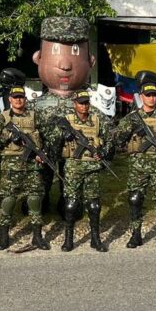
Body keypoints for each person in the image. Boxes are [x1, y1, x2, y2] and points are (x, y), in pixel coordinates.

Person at [30, 16, 96, 218]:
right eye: (56, 51)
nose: (66, 64)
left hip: (74, 155)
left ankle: (69, 200)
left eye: (76, 52)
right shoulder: (34, 106)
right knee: (40, 180)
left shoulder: (86, 106)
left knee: (71, 181)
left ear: (91, 61)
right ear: (38, 58)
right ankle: (40, 199)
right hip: (43, 153)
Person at [114, 82, 156, 251]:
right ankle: (136, 234)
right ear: (141, 96)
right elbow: (118, 140)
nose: (151, 98)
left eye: (154, 95)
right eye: (148, 95)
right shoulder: (132, 118)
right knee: (135, 199)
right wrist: (127, 132)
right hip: (138, 166)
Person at [0, 85, 55, 251]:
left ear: (25, 99)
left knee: (35, 198)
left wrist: (43, 153)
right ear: (10, 99)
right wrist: (9, 135)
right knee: (8, 199)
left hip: (33, 164)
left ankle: (37, 236)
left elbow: (48, 137)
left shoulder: (35, 116)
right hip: (11, 166)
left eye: (21, 97)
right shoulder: (2, 118)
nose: (19, 100)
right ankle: (4, 237)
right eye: (15, 97)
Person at [57, 89, 114, 252]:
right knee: (71, 204)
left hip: (92, 168)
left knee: (94, 205)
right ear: (74, 104)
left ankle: (95, 239)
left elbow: (110, 139)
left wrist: (104, 153)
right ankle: (69, 239)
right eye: (81, 103)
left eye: (86, 102)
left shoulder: (96, 120)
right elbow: (53, 142)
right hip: (73, 167)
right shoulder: (66, 120)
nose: (84, 106)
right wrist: (63, 135)